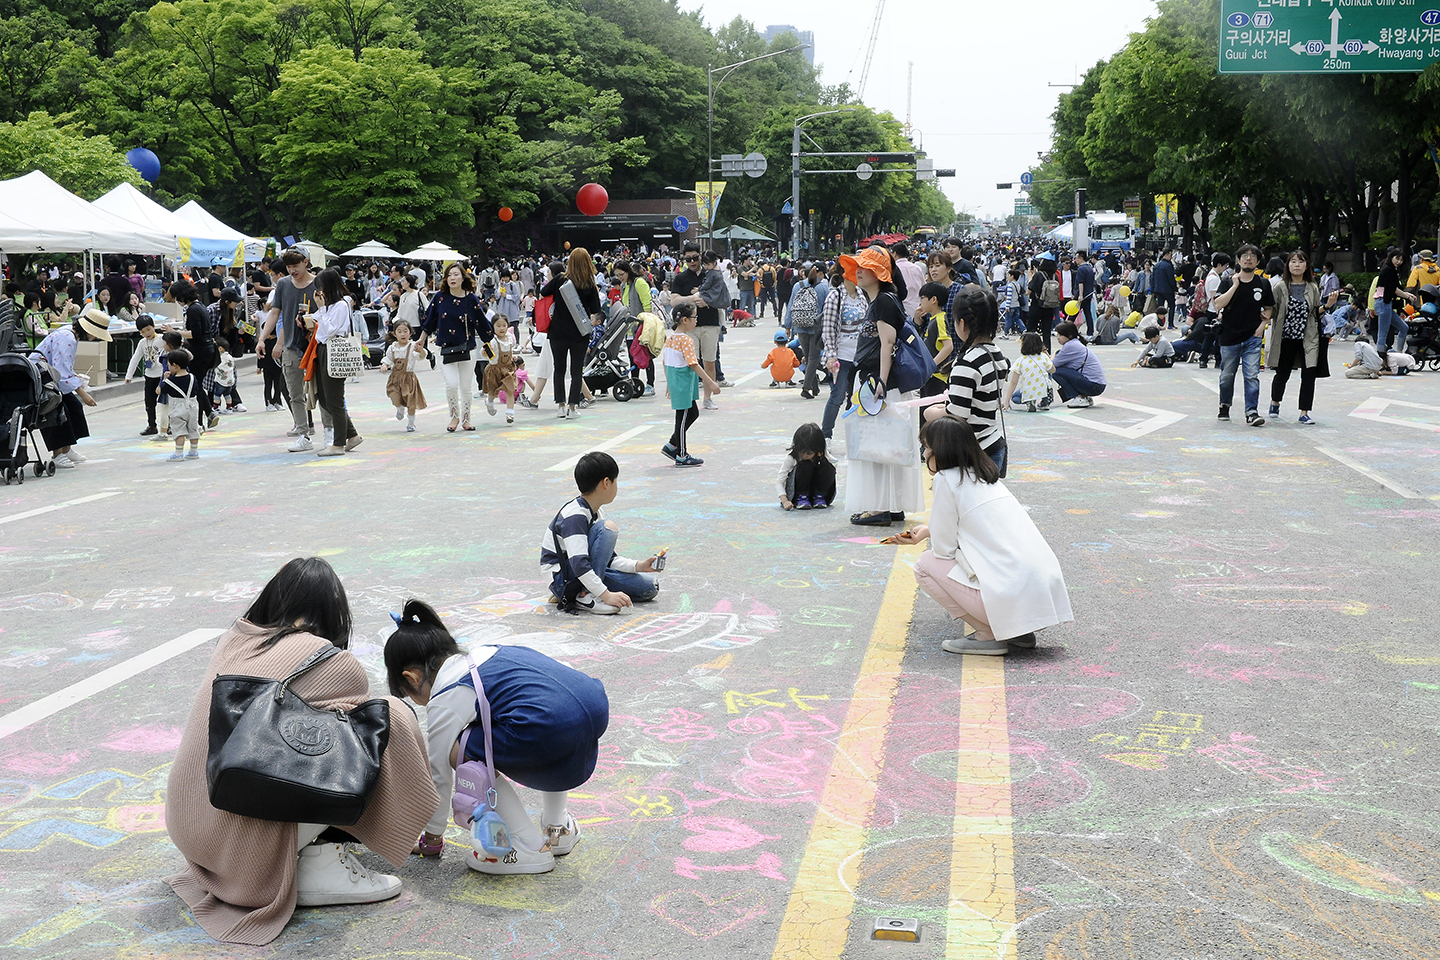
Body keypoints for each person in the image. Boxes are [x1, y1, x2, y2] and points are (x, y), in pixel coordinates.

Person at [165, 558, 438, 946]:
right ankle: (322, 860)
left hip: (192, 829)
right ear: (333, 614)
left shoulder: (237, 637)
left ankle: (310, 852)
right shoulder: (331, 660)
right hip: (241, 850)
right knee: (388, 720)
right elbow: (360, 743)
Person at [384, 599, 608, 872]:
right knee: (535, 719)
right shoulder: (488, 652)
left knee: (462, 746)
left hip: (552, 729)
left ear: (413, 678)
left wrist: (432, 838)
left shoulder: (445, 695)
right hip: (591, 709)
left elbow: (438, 774)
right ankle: (556, 828)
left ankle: (528, 847)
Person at [894, 417, 1073, 656]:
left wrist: (933, 535)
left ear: (941, 451)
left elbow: (943, 550)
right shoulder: (986, 476)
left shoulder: (946, 479)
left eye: (927, 447)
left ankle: (987, 634)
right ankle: (1018, 632)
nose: (925, 454)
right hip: (1042, 597)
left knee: (925, 565)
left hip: (1011, 596)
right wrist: (928, 530)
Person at [841, 245, 925, 527]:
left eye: (865, 267)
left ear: (879, 272)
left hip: (878, 385)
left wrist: (881, 382)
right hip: (878, 382)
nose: (858, 271)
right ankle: (889, 506)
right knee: (885, 446)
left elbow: (887, 344)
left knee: (877, 446)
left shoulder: (884, 302)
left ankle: (879, 508)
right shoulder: (882, 300)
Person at [540, 451, 662, 614]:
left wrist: (640, 566)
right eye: (615, 481)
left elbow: (607, 558)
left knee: (650, 587)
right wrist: (605, 595)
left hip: (582, 571)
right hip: (564, 577)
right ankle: (585, 595)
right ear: (606, 482)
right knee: (607, 528)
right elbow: (579, 563)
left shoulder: (596, 512)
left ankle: (584, 591)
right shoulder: (575, 516)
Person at [925, 286, 1010, 472]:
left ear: (962, 324)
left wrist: (930, 413)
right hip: (992, 441)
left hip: (973, 453)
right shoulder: (996, 354)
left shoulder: (967, 362)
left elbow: (956, 418)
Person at [257, 250, 320, 449]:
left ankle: (332, 432)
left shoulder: (319, 283)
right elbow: (275, 313)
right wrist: (262, 339)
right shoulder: (283, 285)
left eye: (296, 266)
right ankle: (303, 434)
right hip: (292, 346)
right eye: (289, 268)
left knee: (324, 392)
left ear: (306, 262)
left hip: (317, 345)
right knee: (295, 393)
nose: (292, 271)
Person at [422, 263, 494, 431]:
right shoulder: (439, 297)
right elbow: (429, 321)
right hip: (444, 349)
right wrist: (421, 340)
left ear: (463, 277)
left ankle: (466, 419)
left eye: (456, 274)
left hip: (468, 348)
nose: (452, 278)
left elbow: (482, 324)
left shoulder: (471, 299)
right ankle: (454, 416)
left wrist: (491, 344)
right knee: (452, 384)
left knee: (465, 387)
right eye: (449, 275)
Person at [29, 311, 104, 468]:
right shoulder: (67, 337)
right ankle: (58, 453)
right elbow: (62, 373)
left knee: (74, 407)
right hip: (41, 379)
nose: (95, 337)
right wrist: (84, 394)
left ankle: (67, 448)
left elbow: (63, 366)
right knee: (57, 410)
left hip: (51, 376)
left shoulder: (70, 333)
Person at [301, 267, 363, 456]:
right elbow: (318, 322)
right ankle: (352, 435)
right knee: (325, 398)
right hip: (322, 349)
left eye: (321, 289)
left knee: (334, 399)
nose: (319, 293)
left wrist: (320, 309)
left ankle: (338, 444)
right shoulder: (330, 305)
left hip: (334, 350)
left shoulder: (342, 305)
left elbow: (330, 330)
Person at [1210, 243, 1273, 426]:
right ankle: (1224, 405)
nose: (1248, 258)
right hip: (1229, 337)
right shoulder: (1228, 281)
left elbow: (1269, 308)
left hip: (1252, 337)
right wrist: (1235, 286)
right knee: (1226, 376)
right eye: (1244, 256)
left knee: (1251, 375)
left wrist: (1263, 324)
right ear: (1238, 260)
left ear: (1258, 262)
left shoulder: (1263, 283)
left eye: (1253, 256)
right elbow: (1218, 304)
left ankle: (1251, 412)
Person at [539, 248, 602, 420]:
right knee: (576, 371)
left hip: (558, 331)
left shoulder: (560, 279)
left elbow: (544, 292)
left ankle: (560, 405)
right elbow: (596, 310)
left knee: (559, 369)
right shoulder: (589, 284)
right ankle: (572, 407)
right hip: (579, 333)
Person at [1266, 250, 1324, 425]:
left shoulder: (1312, 287)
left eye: (1300, 261)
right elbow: (1272, 311)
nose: (1296, 265)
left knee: (1309, 374)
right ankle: (1275, 401)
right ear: (1287, 266)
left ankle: (1304, 412)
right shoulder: (1280, 287)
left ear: (1306, 265)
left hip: (1308, 338)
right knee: (1282, 373)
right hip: (1285, 337)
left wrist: (1327, 306)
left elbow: (1315, 312)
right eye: (1293, 262)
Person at [662, 303, 722, 467]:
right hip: (682, 382)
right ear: (684, 320)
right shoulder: (686, 340)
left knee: (692, 413)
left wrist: (668, 382)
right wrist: (711, 383)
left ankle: (672, 445)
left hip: (677, 381)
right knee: (681, 419)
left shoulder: (671, 338)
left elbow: (665, 362)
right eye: (694, 317)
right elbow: (693, 364)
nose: (696, 320)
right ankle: (681, 454)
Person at [669, 244, 728, 410]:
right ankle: (690, 398)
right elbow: (674, 301)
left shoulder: (712, 274)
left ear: (701, 256)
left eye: (695, 258)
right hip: (689, 327)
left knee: (710, 361)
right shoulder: (681, 278)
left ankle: (708, 398)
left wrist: (707, 301)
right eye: (688, 259)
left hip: (710, 324)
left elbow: (722, 297)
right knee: (690, 363)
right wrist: (693, 298)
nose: (692, 261)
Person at [788, 263, 829, 399]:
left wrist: (787, 325)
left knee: (807, 356)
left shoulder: (797, 286)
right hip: (816, 327)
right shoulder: (823, 287)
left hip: (800, 325)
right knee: (813, 358)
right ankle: (806, 388)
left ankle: (814, 386)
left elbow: (790, 306)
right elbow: (827, 309)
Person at [776, 422, 836, 511]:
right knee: (806, 464)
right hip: (796, 492)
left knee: (828, 466)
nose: (804, 456)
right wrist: (785, 501)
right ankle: (801, 496)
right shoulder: (792, 458)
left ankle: (819, 496)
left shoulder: (821, 454)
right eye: (801, 452)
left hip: (814, 490)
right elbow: (779, 481)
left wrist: (823, 464)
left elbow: (834, 463)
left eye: (809, 453)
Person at [124, 315, 167, 436]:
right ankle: (152, 425)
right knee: (149, 403)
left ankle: (167, 425)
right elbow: (135, 358)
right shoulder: (142, 343)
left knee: (166, 402)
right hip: (149, 376)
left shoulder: (163, 339)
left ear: (154, 326)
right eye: (142, 332)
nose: (146, 333)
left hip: (163, 375)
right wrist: (129, 375)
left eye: (148, 329)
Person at [381, 319, 427, 431]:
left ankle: (411, 423)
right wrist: (384, 365)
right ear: (394, 333)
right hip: (395, 378)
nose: (403, 334)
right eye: (399, 331)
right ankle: (399, 408)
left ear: (410, 333)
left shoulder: (412, 346)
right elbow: (388, 358)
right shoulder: (392, 347)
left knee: (411, 402)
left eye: (405, 331)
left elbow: (420, 356)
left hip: (408, 379)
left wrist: (421, 351)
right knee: (394, 396)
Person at [1051, 321, 1107, 408]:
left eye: (1061, 335)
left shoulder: (1070, 346)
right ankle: (1085, 397)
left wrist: (1051, 355)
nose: (1058, 338)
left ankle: (1079, 398)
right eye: (1057, 334)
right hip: (1097, 385)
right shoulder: (1075, 343)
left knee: (1055, 371)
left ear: (1069, 335)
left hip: (1093, 385)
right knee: (1058, 358)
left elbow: (1051, 366)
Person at [161, 348, 202, 461]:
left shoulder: (170, 381)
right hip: (192, 406)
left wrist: (164, 379)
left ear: (175, 366)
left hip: (177, 408)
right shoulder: (193, 378)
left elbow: (160, 390)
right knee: (193, 428)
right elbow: (196, 389)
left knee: (179, 430)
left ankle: (179, 453)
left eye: (169, 365)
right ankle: (194, 451)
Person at [481, 315, 522, 424]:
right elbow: (486, 353)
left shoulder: (509, 338)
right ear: (493, 327)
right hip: (495, 370)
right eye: (498, 326)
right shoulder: (493, 341)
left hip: (508, 369)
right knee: (493, 392)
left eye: (504, 325)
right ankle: (489, 402)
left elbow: (510, 350)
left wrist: (512, 356)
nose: (501, 328)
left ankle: (510, 413)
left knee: (510, 390)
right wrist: (484, 352)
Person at [918, 280, 954, 398]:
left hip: (936, 378)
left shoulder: (939, 320)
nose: (920, 302)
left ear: (933, 300)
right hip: (931, 376)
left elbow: (948, 346)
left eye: (922, 298)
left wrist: (932, 365)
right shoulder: (934, 319)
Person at [1374, 247, 1414, 354]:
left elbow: (1397, 288)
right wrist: (1407, 296)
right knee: (1383, 333)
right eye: (1397, 258)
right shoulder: (1388, 270)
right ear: (1391, 257)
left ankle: (1399, 353)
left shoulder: (1391, 270)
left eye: (1401, 260)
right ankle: (1381, 359)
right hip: (1383, 302)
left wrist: (1407, 294)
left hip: (1385, 303)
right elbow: (1394, 289)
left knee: (1404, 327)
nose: (1399, 262)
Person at [1002, 332, 1054, 413]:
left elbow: (1013, 382)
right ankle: (1045, 401)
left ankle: (1029, 400)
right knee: (1047, 373)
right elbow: (1053, 370)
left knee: (1015, 397)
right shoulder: (1043, 357)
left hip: (1029, 389)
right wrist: (1046, 354)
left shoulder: (1021, 360)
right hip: (1043, 389)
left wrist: (1007, 401)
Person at [211, 337, 239, 413]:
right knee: (227, 395)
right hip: (229, 380)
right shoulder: (230, 357)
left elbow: (216, 365)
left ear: (220, 348)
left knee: (217, 395)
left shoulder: (219, 357)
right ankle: (229, 408)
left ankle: (216, 407)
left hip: (220, 380)